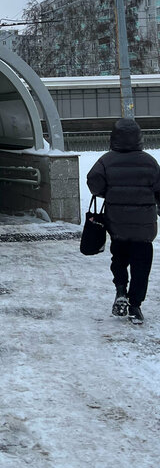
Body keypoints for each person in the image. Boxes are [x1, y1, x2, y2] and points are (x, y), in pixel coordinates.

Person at [87, 118, 160, 324]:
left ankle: (120, 290)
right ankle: (135, 306)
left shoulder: (106, 160)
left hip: (117, 222)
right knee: (141, 264)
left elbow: (94, 182)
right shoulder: (150, 162)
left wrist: (108, 192)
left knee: (119, 257)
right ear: (139, 138)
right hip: (144, 226)